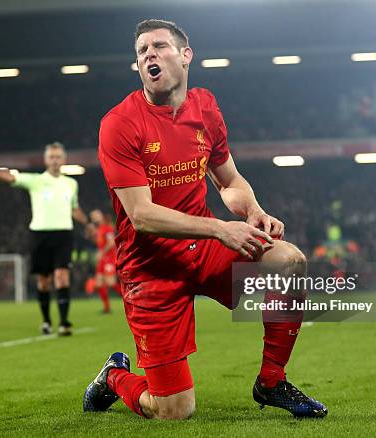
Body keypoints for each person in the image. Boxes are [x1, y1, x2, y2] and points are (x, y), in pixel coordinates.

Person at [83, 19, 327, 419]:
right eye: (141, 51)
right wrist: (220, 228)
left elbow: (228, 179)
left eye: (158, 46)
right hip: (151, 271)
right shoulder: (120, 124)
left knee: (289, 261)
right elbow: (141, 216)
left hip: (204, 251)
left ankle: (271, 381)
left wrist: (253, 210)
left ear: (185, 55)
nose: (149, 55)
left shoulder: (205, 107)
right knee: (173, 411)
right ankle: (113, 377)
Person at [0, 142, 88, 335]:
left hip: (64, 234)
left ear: (64, 159)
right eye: (51, 157)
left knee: (62, 277)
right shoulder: (35, 180)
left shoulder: (71, 183)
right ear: (45, 160)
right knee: (44, 281)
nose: (55, 160)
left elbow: (74, 209)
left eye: (58, 156)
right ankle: (46, 320)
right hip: (40, 234)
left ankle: (64, 322)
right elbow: (11, 176)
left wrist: (87, 224)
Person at [88, 209, 120, 313]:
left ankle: (130, 299)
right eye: (93, 217)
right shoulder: (99, 229)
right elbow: (101, 242)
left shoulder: (107, 228)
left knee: (111, 283)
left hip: (109, 258)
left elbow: (111, 243)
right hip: (103, 259)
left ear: (101, 215)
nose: (94, 218)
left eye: (96, 215)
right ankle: (107, 308)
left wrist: (101, 252)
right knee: (99, 283)